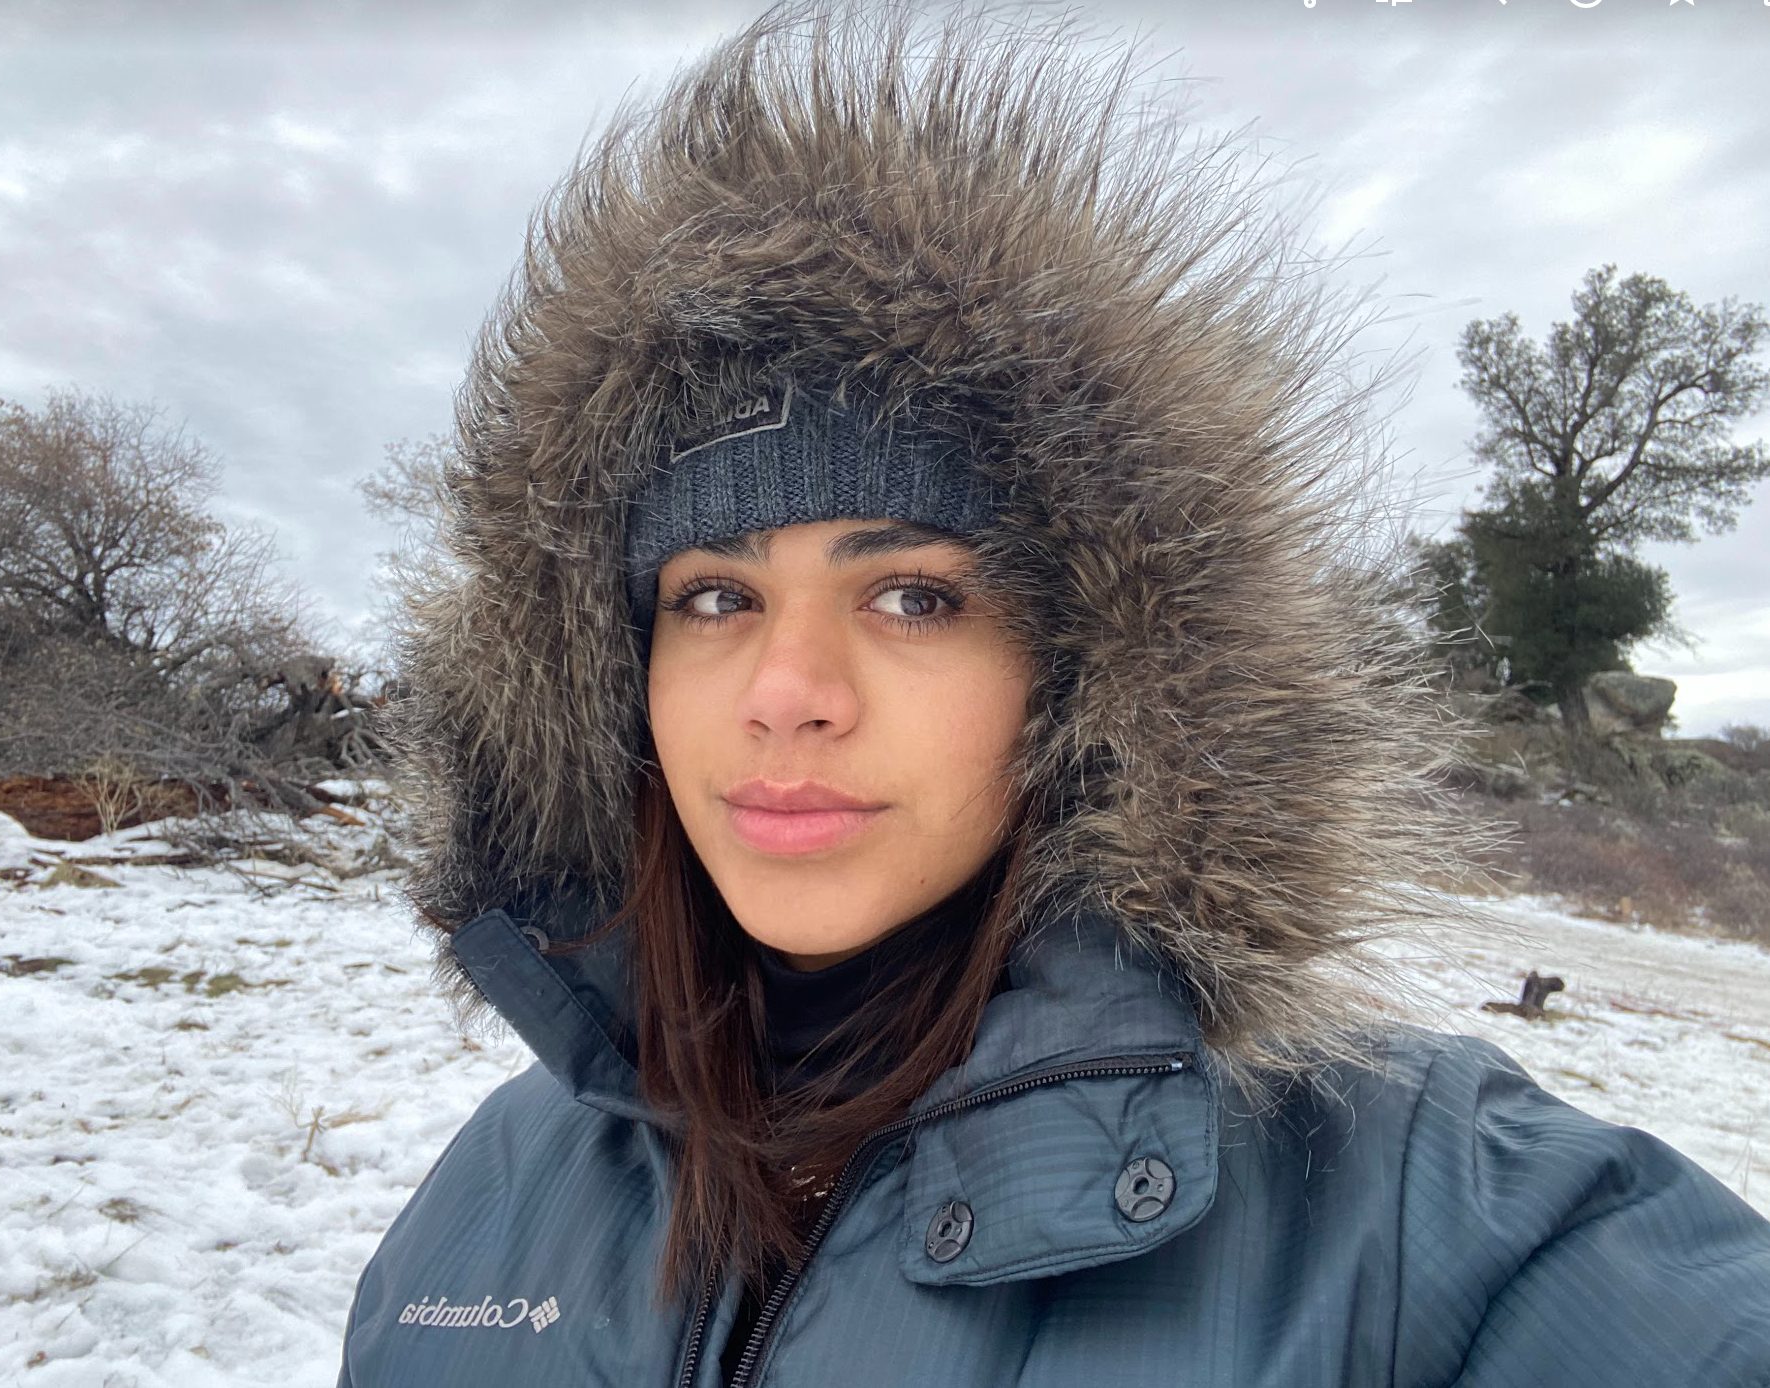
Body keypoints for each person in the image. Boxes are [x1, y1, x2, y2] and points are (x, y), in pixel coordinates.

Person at [338, 7, 1770, 1385]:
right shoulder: (492, 1198)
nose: (784, 694)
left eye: (915, 596)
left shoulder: (1406, 1205)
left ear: (1088, 676)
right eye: (714, 598)